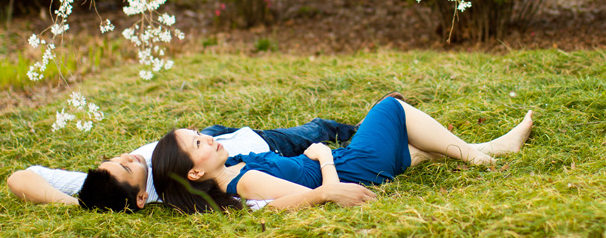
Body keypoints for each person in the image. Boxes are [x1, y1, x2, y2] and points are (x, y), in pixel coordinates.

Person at [152, 97, 534, 213]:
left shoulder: (234, 169)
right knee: (391, 107)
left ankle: (490, 147)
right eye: (197, 144)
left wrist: (320, 155)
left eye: (200, 134)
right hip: (354, 165)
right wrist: (323, 156)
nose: (208, 139)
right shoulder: (244, 181)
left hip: (351, 160)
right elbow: (324, 195)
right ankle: (478, 157)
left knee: (417, 143)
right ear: (195, 174)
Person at [7, 117, 357, 212]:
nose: (126, 157)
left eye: (115, 159)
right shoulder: (169, 192)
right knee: (318, 132)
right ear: (142, 196)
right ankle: (367, 131)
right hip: (260, 149)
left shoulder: (99, 184)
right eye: (127, 167)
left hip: (212, 139)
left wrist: (80, 203)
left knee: (316, 134)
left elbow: (21, 177)